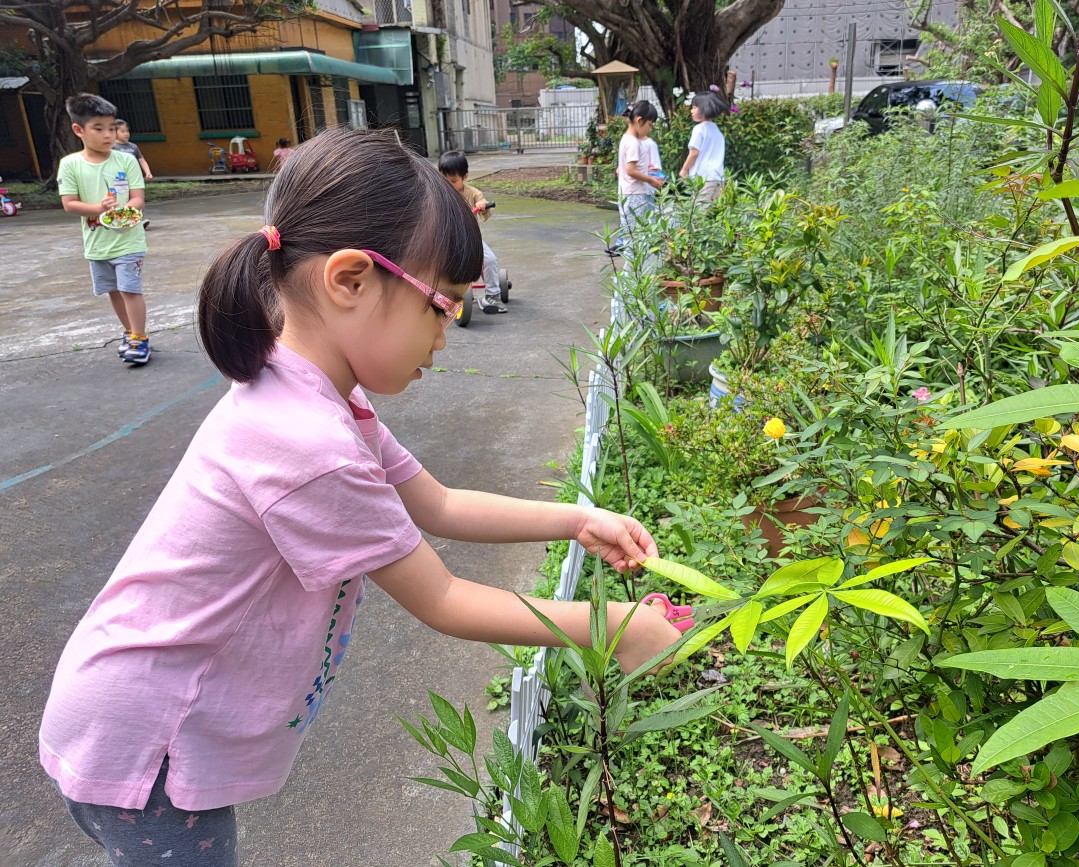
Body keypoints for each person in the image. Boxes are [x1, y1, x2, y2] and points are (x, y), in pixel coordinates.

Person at [39, 128, 681, 867]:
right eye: (441, 307)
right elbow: (445, 600)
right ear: (350, 280)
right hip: (147, 741)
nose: (446, 336)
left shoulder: (319, 396)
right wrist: (614, 628)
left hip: (144, 713)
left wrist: (579, 520)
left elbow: (437, 504)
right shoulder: (308, 444)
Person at [58, 94, 151, 364]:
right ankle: (129, 332)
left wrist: (125, 213)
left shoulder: (126, 160)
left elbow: (137, 199)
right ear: (79, 130)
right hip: (97, 243)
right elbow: (69, 204)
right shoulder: (70, 164)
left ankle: (140, 338)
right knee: (114, 290)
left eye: (111, 128)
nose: (108, 135)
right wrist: (100, 209)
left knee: (130, 289)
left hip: (129, 240)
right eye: (98, 128)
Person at [437, 149, 505, 314]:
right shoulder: (440, 194)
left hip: (471, 239)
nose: (448, 184)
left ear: (465, 177)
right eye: (444, 180)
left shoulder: (473, 193)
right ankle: (442, 294)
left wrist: (482, 205)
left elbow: (483, 204)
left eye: (453, 181)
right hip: (448, 240)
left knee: (489, 259)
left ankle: (492, 295)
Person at [615, 100, 664, 254]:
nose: (650, 129)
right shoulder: (633, 143)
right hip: (635, 194)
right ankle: (631, 268)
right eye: (650, 125)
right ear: (639, 120)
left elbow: (622, 169)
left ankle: (631, 266)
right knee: (635, 237)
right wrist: (651, 180)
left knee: (632, 236)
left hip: (628, 192)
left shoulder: (626, 138)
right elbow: (631, 170)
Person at [678, 90, 728, 205]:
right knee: (715, 210)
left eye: (694, 107)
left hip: (703, 178)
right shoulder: (716, 130)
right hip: (718, 177)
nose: (691, 111)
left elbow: (694, 152)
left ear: (704, 108)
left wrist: (684, 170)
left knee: (699, 211)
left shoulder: (699, 129)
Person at [113, 119, 153, 230]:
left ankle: (140, 219)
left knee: (138, 198)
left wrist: (147, 172)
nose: (126, 134)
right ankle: (123, 219)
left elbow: (142, 160)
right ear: (114, 133)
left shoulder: (133, 147)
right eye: (122, 131)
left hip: (135, 177)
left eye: (127, 131)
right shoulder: (112, 147)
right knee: (123, 199)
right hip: (120, 178)